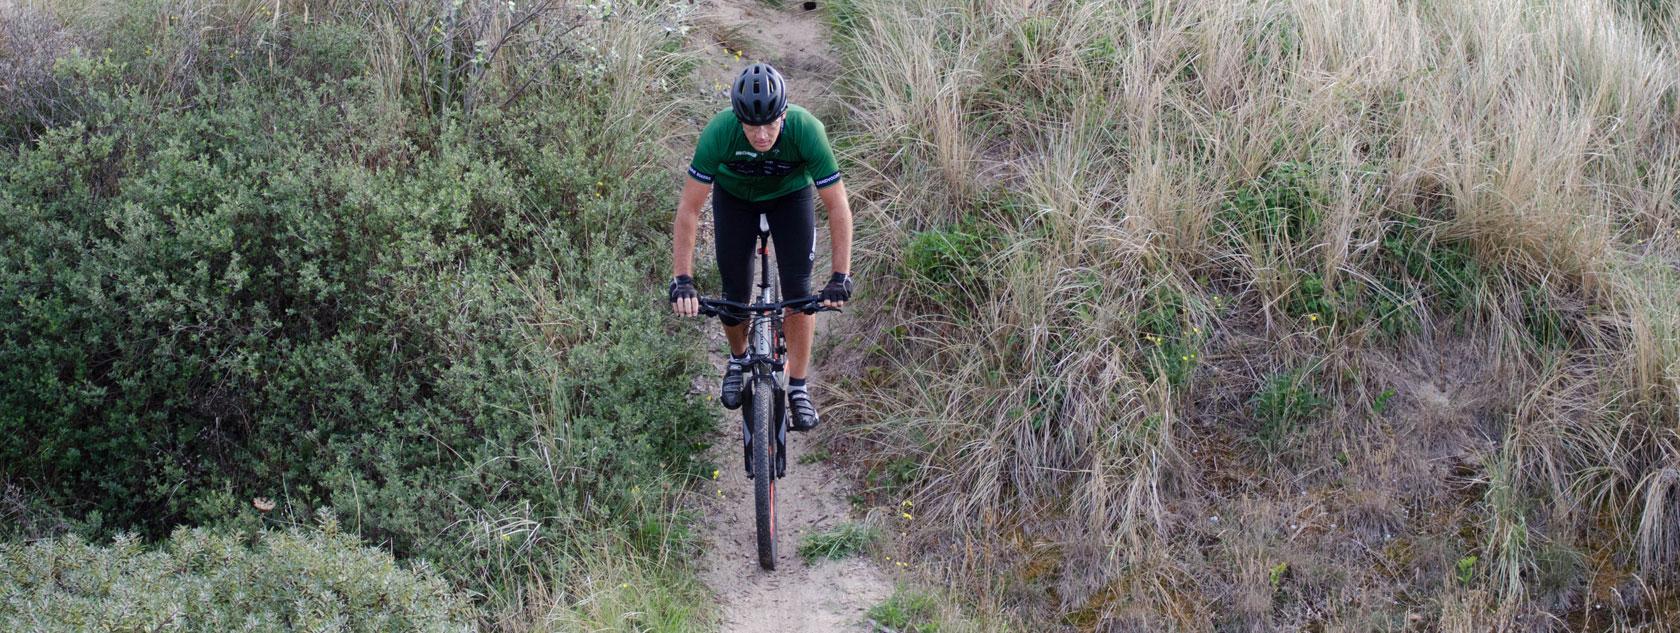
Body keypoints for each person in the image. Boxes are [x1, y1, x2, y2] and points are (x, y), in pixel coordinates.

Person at [668, 63, 854, 432]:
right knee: (734, 292)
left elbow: (837, 207)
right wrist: (682, 280)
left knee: (800, 294)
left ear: (784, 113)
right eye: (753, 126)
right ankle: (738, 360)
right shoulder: (719, 134)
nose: (763, 134)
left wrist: (840, 276)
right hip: (734, 200)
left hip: (790, 198)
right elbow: (689, 210)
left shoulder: (807, 131)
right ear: (738, 120)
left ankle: (798, 386)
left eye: (771, 123)